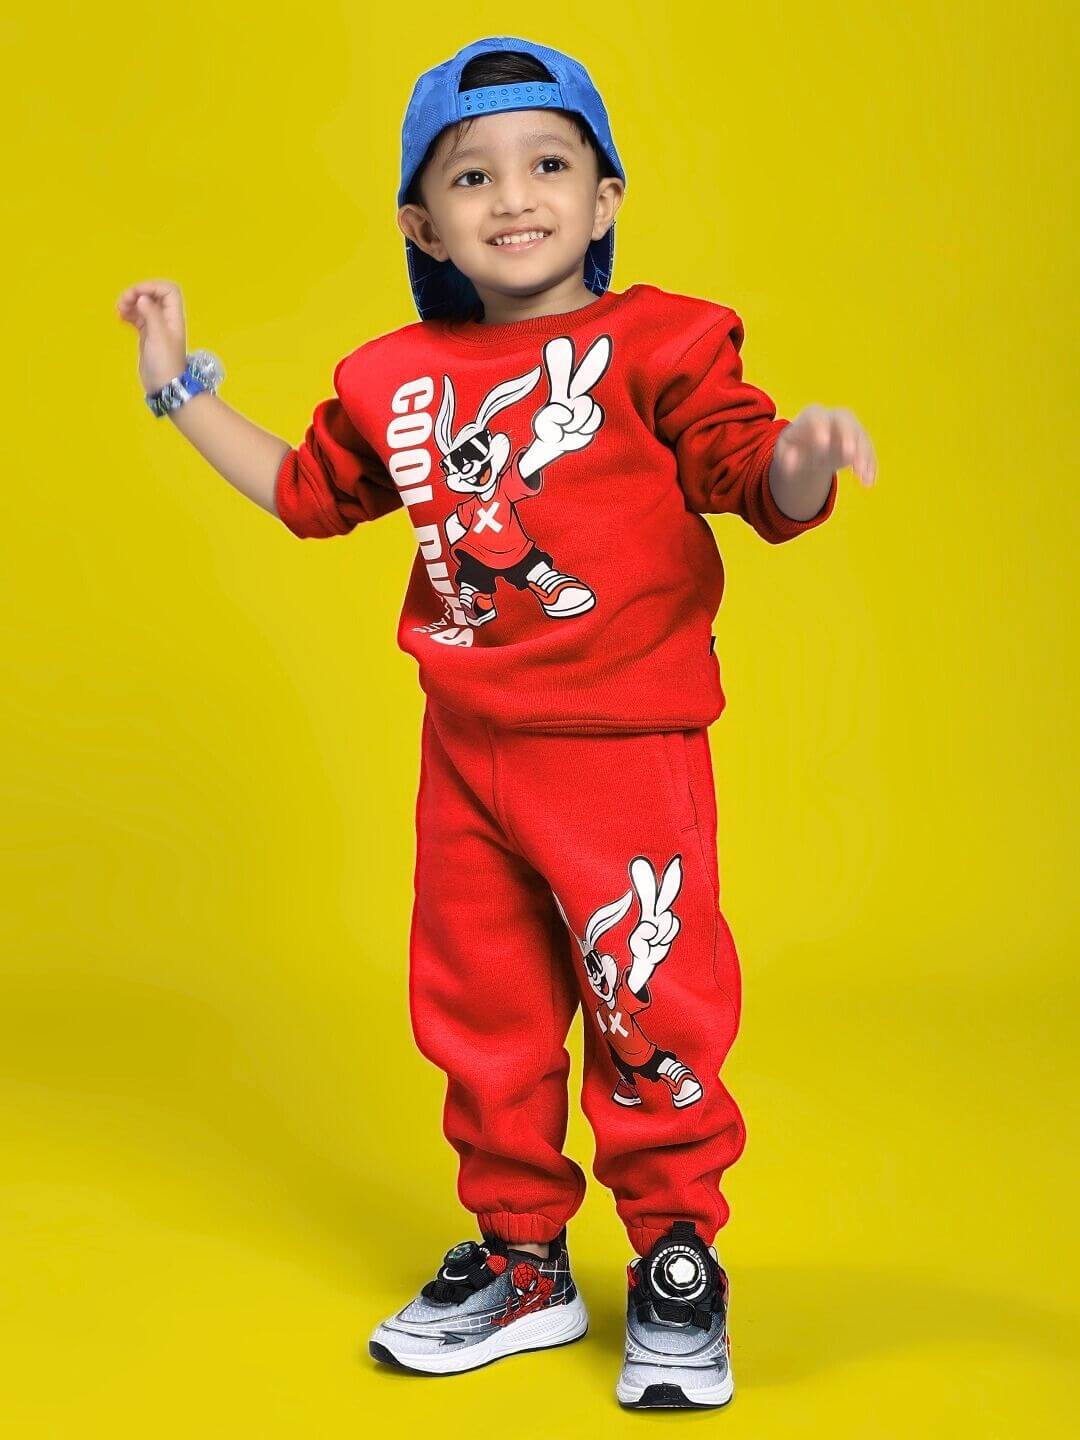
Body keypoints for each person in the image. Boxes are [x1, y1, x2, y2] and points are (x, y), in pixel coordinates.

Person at [117, 34, 876, 1411]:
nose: (512, 194)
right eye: (470, 175)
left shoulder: (663, 342)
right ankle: (524, 1257)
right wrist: (179, 388)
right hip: (468, 750)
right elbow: (304, 494)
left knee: (649, 997)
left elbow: (745, 472)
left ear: (603, 198)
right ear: (424, 222)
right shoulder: (390, 376)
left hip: (623, 753)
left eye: (547, 164)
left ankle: (674, 1257)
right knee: (482, 1012)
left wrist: (805, 460)